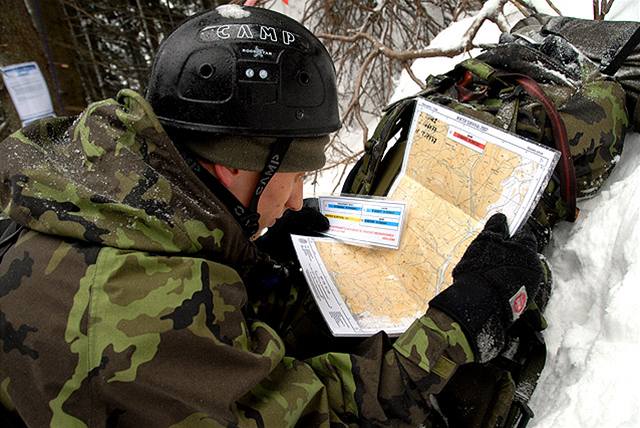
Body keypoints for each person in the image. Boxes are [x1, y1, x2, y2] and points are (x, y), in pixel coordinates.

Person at [0, 5, 545, 427]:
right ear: (239, 167)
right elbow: (321, 417)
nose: (295, 200)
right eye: (296, 175)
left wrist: (255, 263)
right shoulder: (144, 311)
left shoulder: (104, 184)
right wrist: (461, 322)